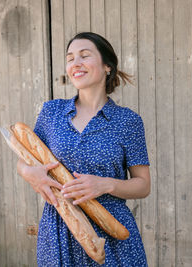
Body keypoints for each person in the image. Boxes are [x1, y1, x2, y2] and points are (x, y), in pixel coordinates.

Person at [17, 32, 151, 266]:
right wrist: (28, 173)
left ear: (107, 66)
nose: (75, 63)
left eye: (84, 56)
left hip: (110, 231)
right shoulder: (52, 112)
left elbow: (143, 184)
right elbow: (25, 158)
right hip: (59, 228)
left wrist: (106, 184)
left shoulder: (127, 121)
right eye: (70, 58)